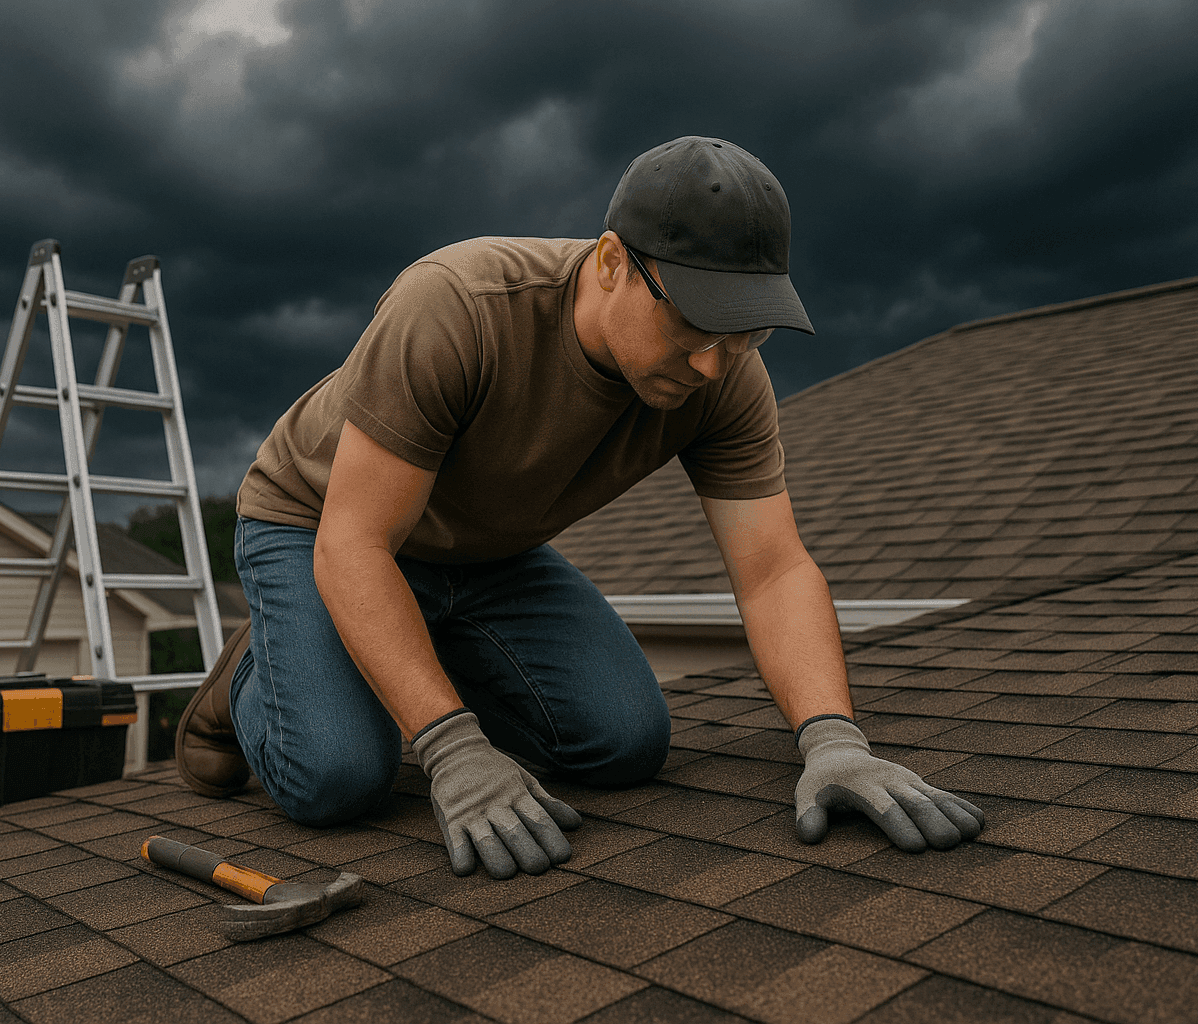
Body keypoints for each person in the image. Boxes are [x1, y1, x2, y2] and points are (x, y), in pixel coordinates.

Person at [178, 136, 983, 879]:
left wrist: (834, 741)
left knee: (624, 743)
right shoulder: (457, 306)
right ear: (610, 263)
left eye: (746, 330)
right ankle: (250, 676)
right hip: (323, 525)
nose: (713, 362)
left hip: (487, 551)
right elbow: (355, 545)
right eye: (695, 322)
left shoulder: (725, 377)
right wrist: (453, 748)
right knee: (339, 778)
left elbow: (772, 570)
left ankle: (402, 637)